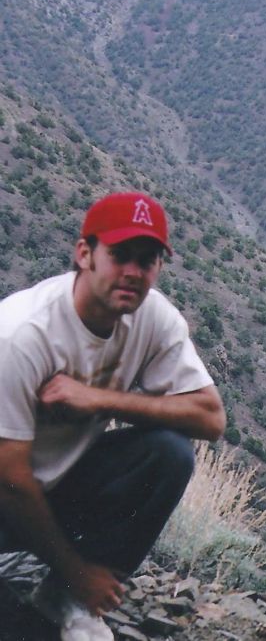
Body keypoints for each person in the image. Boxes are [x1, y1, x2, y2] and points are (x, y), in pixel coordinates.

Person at [0, 192, 226, 640]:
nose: (133, 273)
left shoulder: (153, 319)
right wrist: (77, 570)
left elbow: (211, 419)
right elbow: (10, 479)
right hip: (9, 492)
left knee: (168, 453)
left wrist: (100, 399)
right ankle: (75, 586)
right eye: (119, 255)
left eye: (147, 260)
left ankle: (65, 599)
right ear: (84, 254)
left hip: (54, 487)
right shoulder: (22, 335)